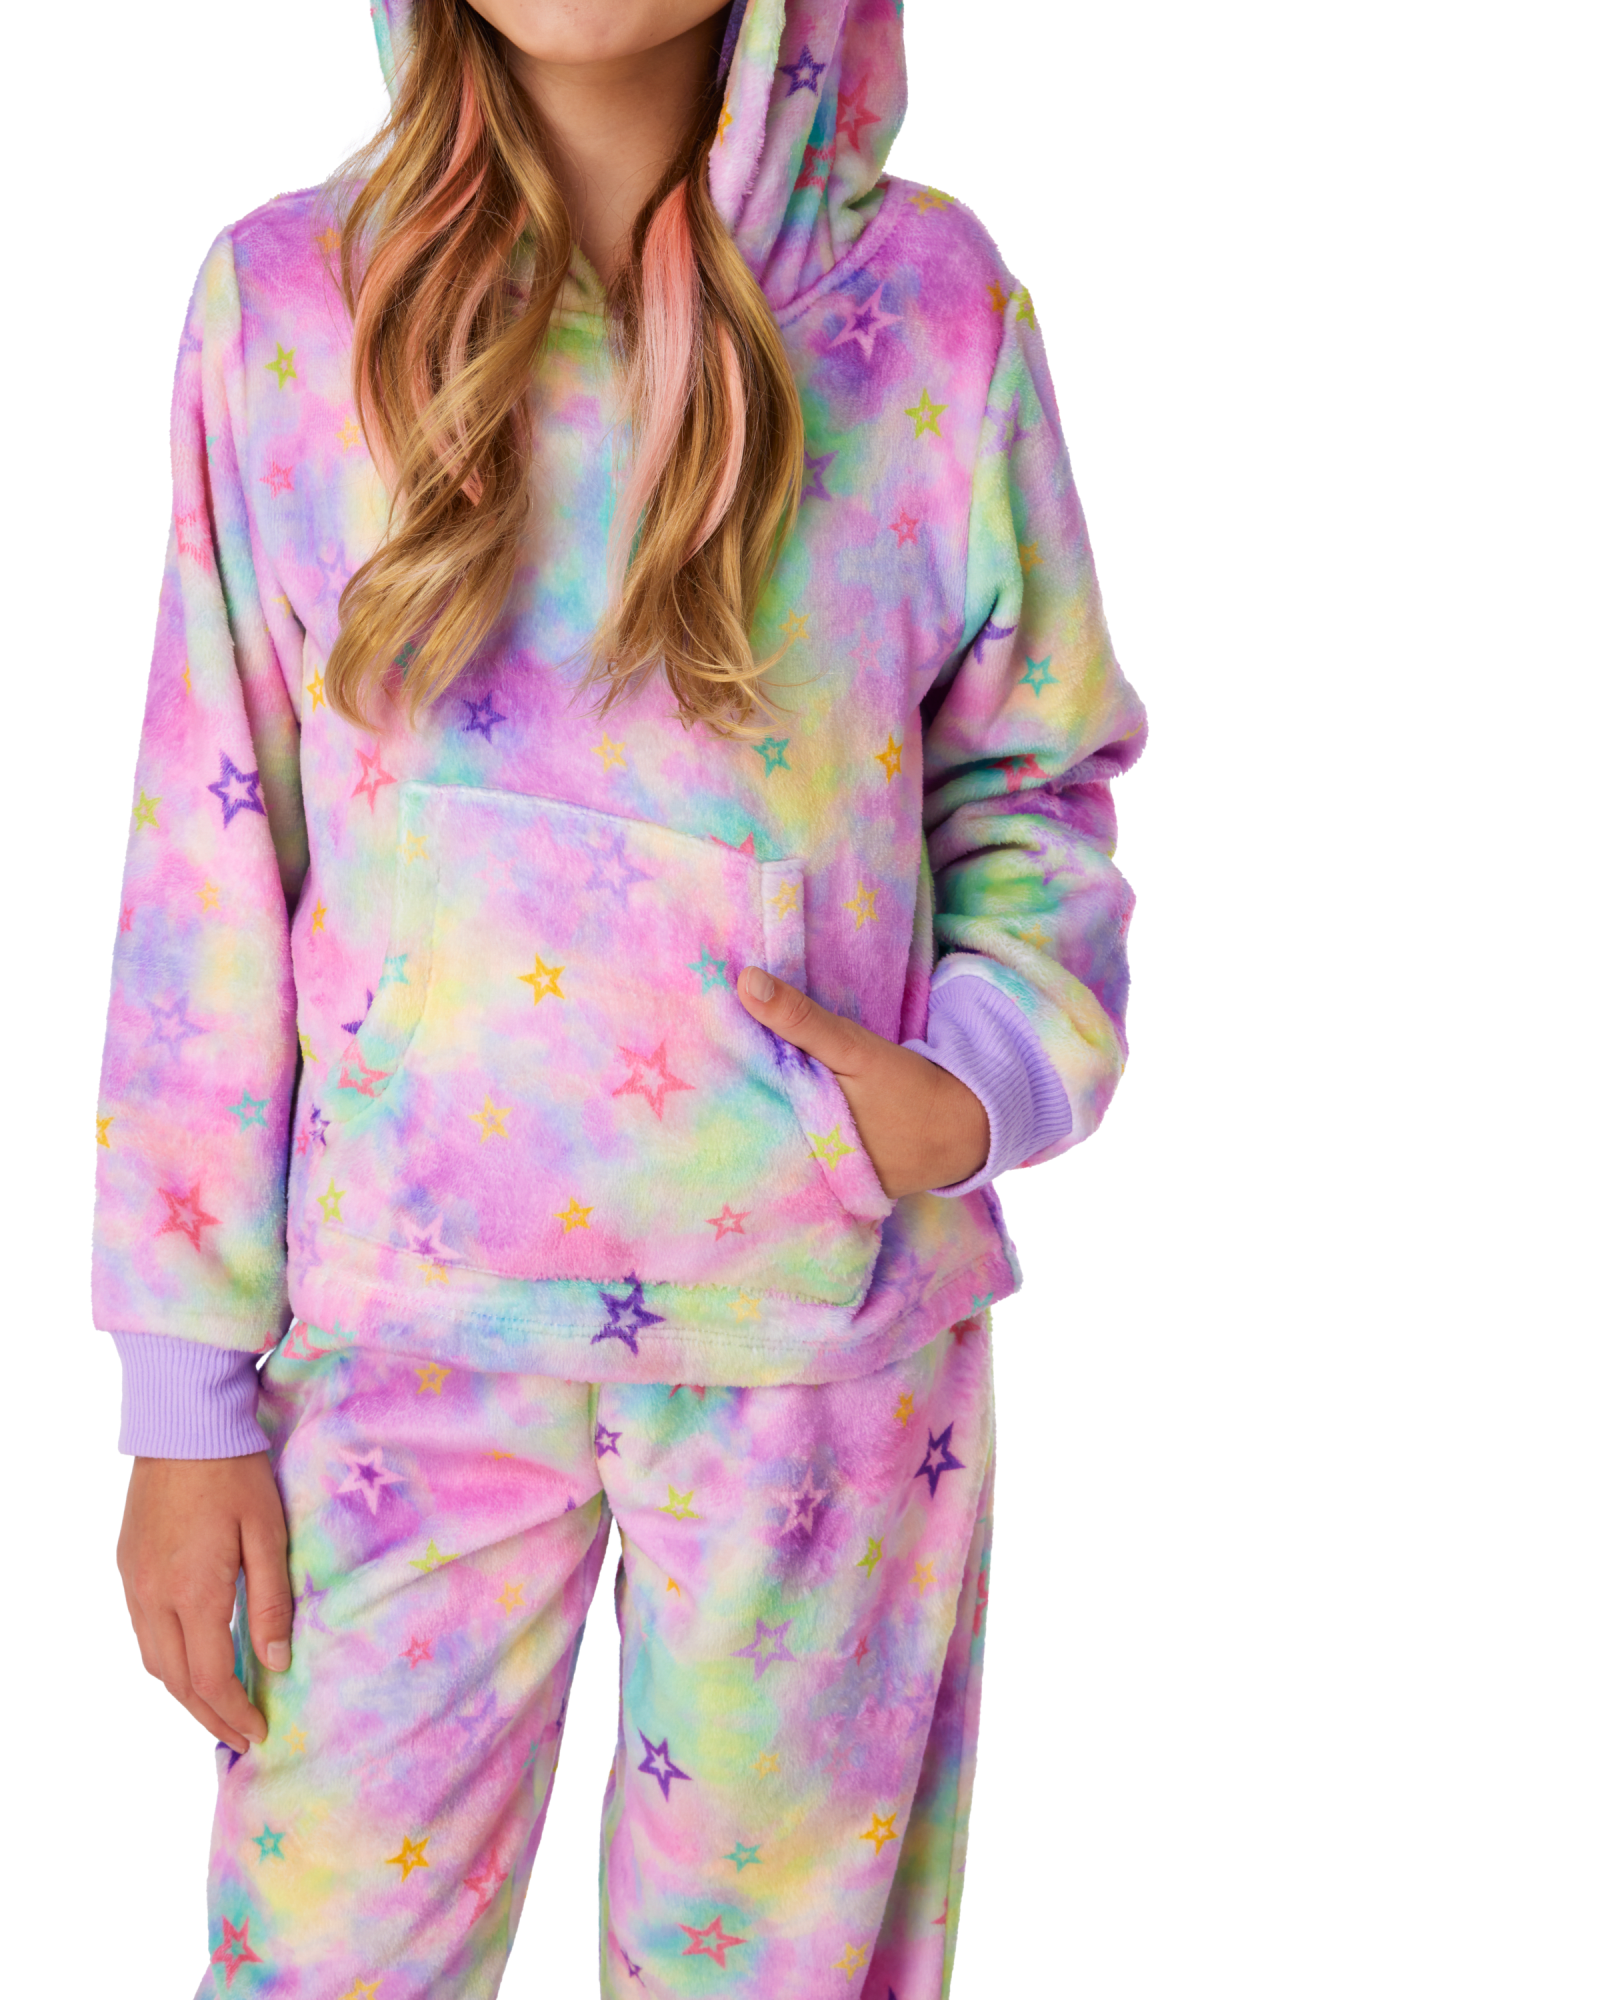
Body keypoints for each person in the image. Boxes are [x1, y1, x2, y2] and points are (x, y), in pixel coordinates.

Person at [95, 2, 1144, 1993]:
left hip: (816, 1352)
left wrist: (979, 1075)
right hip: (398, 1349)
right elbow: (204, 857)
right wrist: (181, 1392)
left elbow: (1035, 777)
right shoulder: (285, 310)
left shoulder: (928, 313)